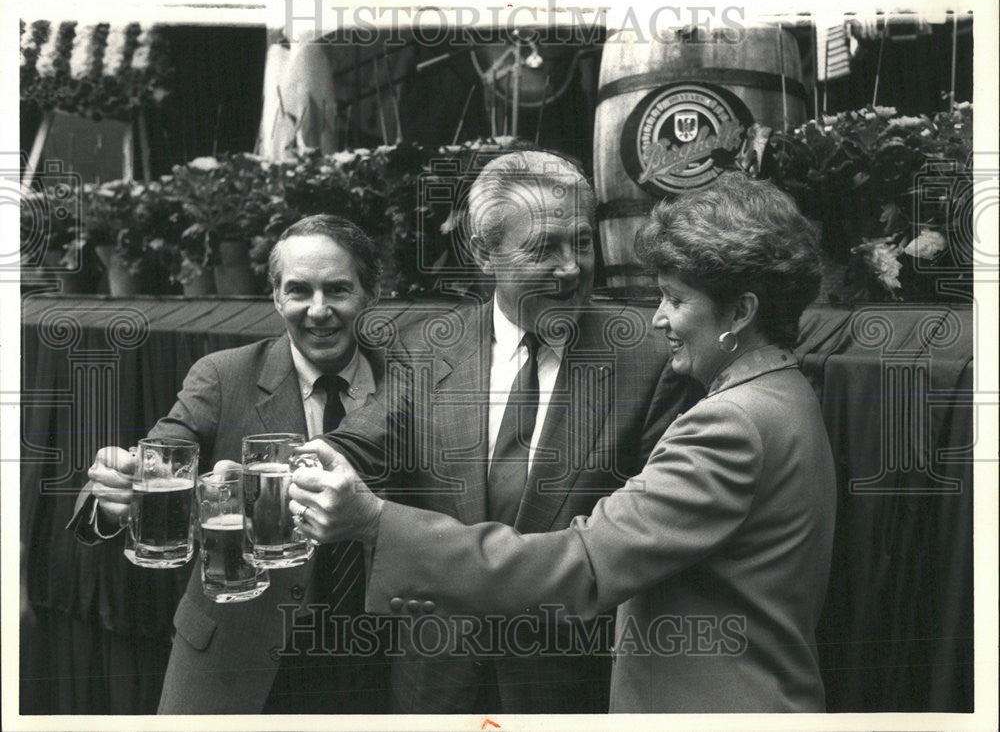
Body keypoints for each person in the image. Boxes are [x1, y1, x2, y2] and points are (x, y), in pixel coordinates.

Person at [288, 171, 837, 713]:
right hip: (444, 684)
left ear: (740, 312)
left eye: (581, 242)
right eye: (544, 247)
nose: (657, 317)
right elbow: (370, 434)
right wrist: (314, 463)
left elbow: (588, 562)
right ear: (485, 253)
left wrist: (373, 521)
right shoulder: (781, 393)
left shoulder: (720, 415)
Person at [68, 214, 390, 714]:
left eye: (339, 290)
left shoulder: (407, 384)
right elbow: (154, 457)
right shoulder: (224, 376)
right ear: (277, 298)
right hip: (232, 662)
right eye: (299, 290)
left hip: (370, 668)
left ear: (370, 295)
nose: (318, 310)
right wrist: (113, 494)